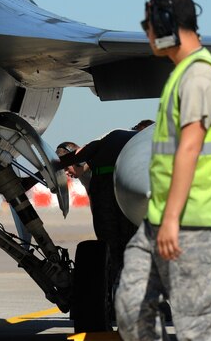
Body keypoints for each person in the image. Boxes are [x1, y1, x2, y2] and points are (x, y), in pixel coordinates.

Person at [116, 0, 211, 341]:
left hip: (193, 222)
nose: (146, 37)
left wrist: (171, 220)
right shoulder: (181, 74)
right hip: (160, 217)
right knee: (129, 308)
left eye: (148, 28)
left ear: (165, 26)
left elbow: (190, 146)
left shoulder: (199, 76)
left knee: (192, 319)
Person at [57, 121, 152, 323]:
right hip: (123, 190)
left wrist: (39, 175)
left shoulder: (113, 135)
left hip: (103, 190)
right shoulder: (143, 143)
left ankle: (109, 302)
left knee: (109, 249)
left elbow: (79, 156)